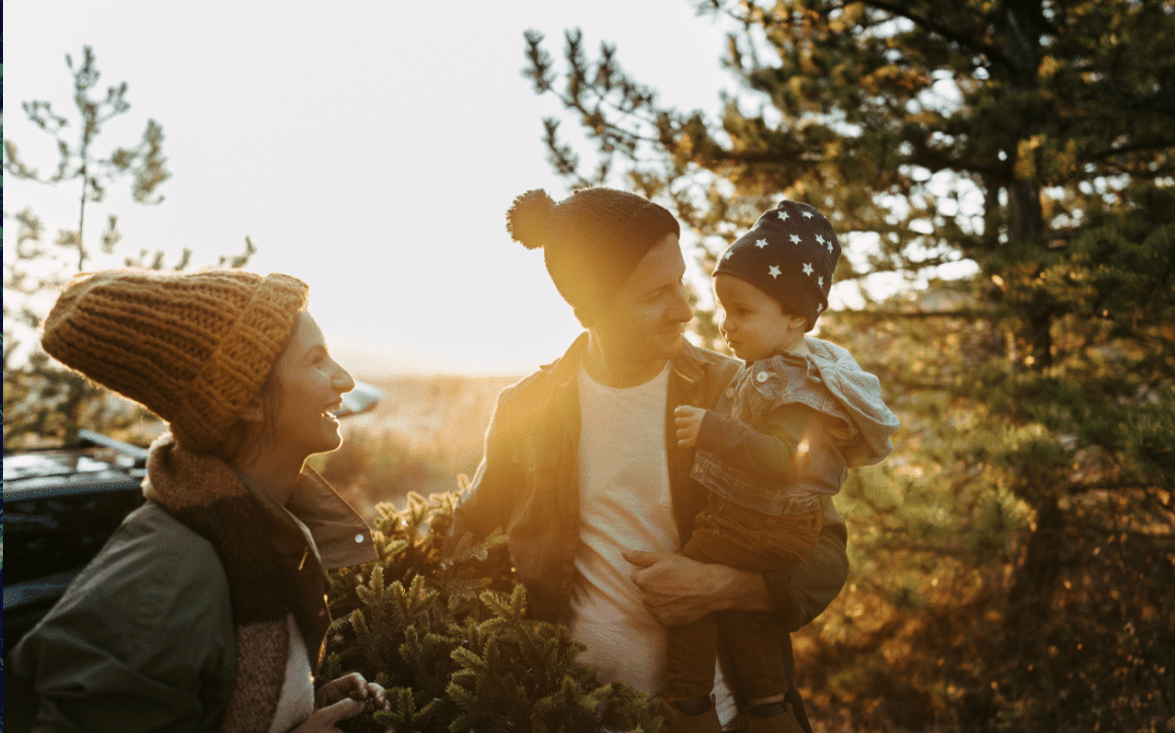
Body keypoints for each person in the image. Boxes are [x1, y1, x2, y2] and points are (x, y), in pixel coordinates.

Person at [444, 188, 851, 732]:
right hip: (577, 717)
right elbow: (468, 544)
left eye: (680, 282)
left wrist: (720, 585)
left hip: (724, 718)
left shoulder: (740, 393)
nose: (684, 309)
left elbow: (826, 555)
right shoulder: (526, 409)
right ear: (594, 307)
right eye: (657, 293)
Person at [8, 268, 389, 733]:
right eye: (316, 360)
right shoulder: (165, 578)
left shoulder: (259, 536)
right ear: (249, 401)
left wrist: (301, 705)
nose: (345, 379)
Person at [668, 200, 900, 732]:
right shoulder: (770, 370)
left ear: (796, 316)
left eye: (743, 312)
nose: (726, 326)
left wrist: (713, 430)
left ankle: (687, 702)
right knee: (746, 617)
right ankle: (769, 706)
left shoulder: (796, 385)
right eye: (724, 310)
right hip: (765, 523)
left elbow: (785, 462)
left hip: (766, 524)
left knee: (687, 588)